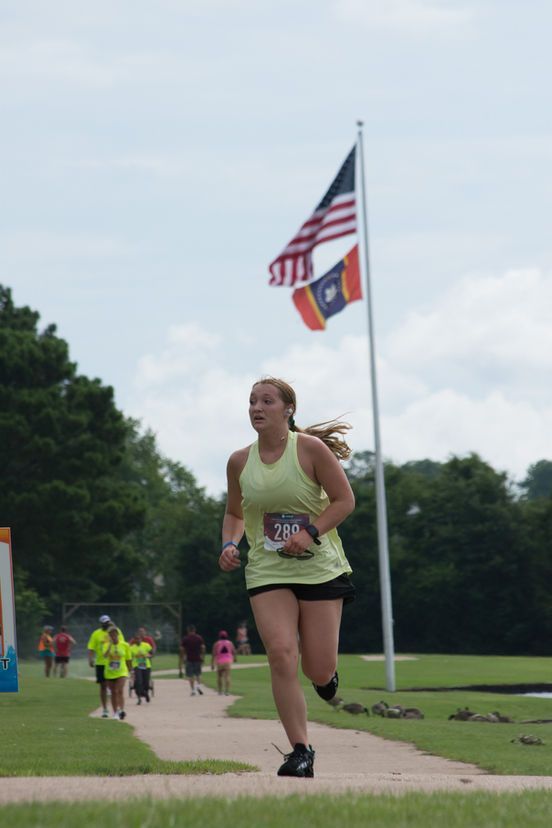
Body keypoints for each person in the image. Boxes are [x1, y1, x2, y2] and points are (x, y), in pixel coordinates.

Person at [219, 377, 355, 778]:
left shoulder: (309, 450)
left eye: (267, 401)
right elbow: (235, 513)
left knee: (317, 669)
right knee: (280, 654)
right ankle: (300, 751)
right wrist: (229, 544)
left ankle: (326, 678)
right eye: (252, 401)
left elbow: (345, 500)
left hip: (319, 568)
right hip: (267, 568)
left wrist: (310, 532)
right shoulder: (239, 461)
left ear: (288, 409)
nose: (256, 408)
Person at [87, 614, 125, 718]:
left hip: (114, 662)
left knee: (116, 688)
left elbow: (122, 644)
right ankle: (104, 709)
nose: (106, 624)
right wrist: (90, 659)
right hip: (101, 663)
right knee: (103, 686)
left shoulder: (117, 631)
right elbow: (91, 648)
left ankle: (118, 709)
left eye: (108, 622)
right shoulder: (96, 634)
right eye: (104, 623)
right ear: (101, 624)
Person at [103, 625, 132, 720]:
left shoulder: (125, 645)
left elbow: (128, 659)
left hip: (121, 672)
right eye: (111, 635)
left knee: (118, 690)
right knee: (113, 692)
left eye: (114, 634)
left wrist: (131, 671)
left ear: (118, 635)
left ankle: (121, 709)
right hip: (110, 672)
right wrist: (110, 645)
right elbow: (105, 656)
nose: (113, 636)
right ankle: (116, 712)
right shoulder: (106, 645)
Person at [179, 624, 206, 696]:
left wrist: (183, 656)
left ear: (188, 630)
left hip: (189, 659)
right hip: (197, 658)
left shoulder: (185, 639)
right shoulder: (199, 638)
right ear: (194, 630)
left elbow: (181, 649)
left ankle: (193, 690)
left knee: (190, 675)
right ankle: (198, 686)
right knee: (198, 674)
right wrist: (202, 656)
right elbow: (203, 647)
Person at [129, 630, 153, 704]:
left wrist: (148, 655)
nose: (138, 640)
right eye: (136, 639)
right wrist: (130, 668)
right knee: (139, 682)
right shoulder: (132, 648)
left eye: (139, 639)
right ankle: (139, 698)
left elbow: (151, 653)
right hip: (137, 666)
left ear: (141, 639)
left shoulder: (146, 645)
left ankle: (145, 693)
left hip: (146, 666)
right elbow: (129, 658)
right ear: (134, 640)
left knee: (146, 683)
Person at [211, 630, 236, 695]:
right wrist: (235, 658)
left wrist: (212, 664)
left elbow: (213, 654)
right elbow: (234, 651)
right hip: (228, 661)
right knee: (227, 676)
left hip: (219, 662)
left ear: (219, 636)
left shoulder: (217, 643)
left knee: (219, 677)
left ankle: (220, 691)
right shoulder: (230, 643)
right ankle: (227, 691)